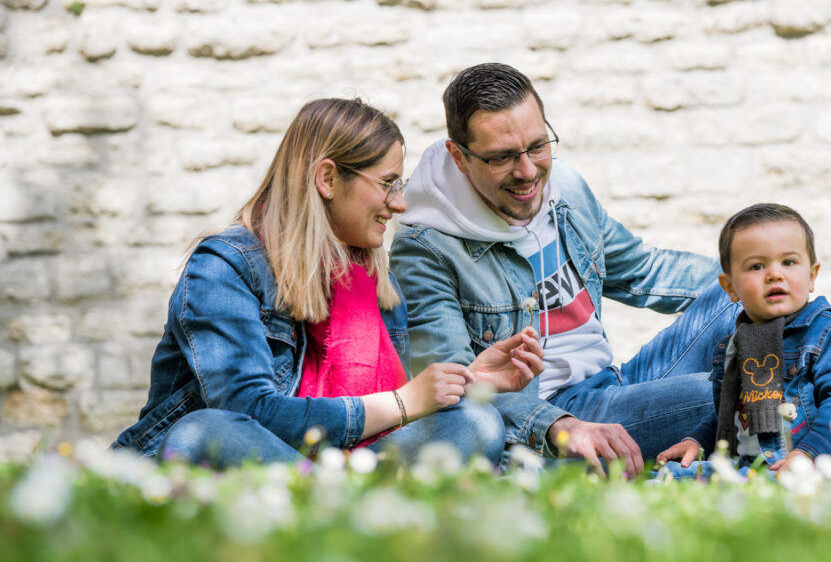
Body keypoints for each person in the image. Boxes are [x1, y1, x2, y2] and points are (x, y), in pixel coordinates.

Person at [391, 62, 831, 476]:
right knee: (734, 390)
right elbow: (452, 382)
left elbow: (645, 269)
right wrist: (558, 424)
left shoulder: (566, 192)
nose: (529, 172)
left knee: (755, 314)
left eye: (538, 146)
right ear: (458, 154)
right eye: (504, 158)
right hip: (555, 415)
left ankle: (784, 435)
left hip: (617, 379)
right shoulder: (427, 248)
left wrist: (758, 282)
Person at [113, 98, 543, 469]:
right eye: (388, 184)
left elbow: (389, 420)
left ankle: (329, 497)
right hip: (260, 455)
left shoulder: (376, 284)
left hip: (343, 463)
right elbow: (250, 412)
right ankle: (343, 501)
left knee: (475, 424)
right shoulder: (224, 269)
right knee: (201, 433)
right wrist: (403, 403)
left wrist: (467, 381)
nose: (400, 202)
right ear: (328, 180)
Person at [657, 204, 831, 479]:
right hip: (749, 466)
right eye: (757, 266)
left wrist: (808, 455)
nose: (774, 274)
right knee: (670, 476)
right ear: (730, 287)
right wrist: (696, 441)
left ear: (812, 276)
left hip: (813, 468)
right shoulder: (735, 345)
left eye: (789, 262)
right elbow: (727, 413)